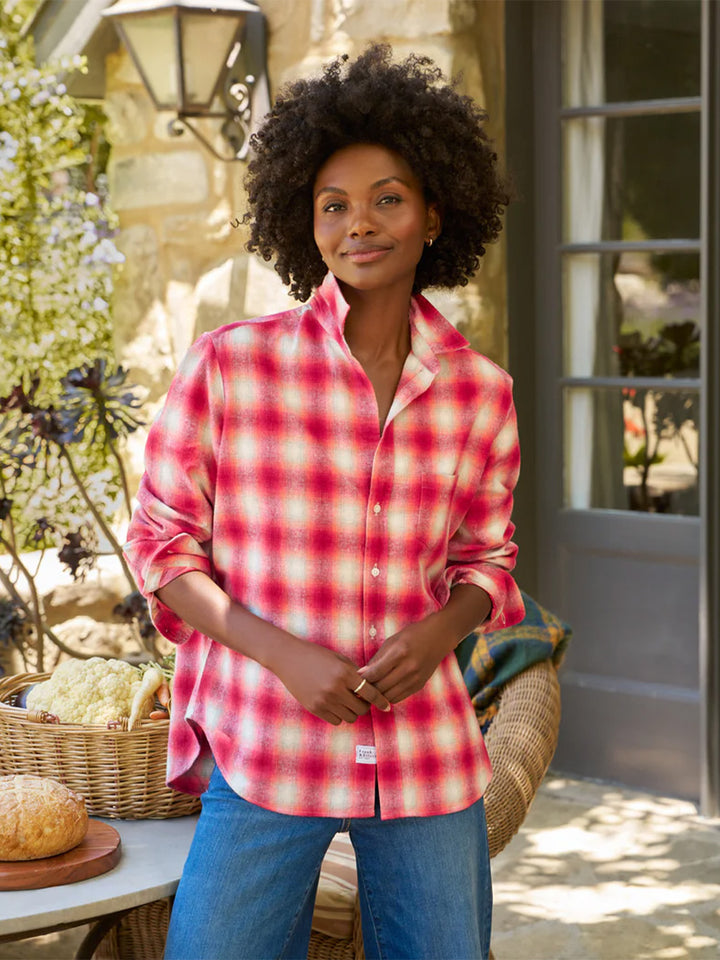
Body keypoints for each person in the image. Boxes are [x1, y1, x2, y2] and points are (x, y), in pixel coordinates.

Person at [124, 42, 524, 960]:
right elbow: (162, 548)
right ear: (304, 223)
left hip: (423, 752)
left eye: (389, 199)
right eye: (333, 205)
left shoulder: (482, 393)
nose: (359, 225)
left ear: (434, 214)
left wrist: (440, 634)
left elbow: (487, 562)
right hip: (268, 739)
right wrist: (286, 656)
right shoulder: (231, 366)